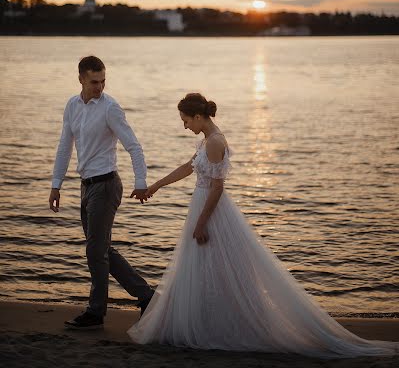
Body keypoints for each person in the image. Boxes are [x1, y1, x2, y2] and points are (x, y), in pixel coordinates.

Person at [128, 92, 398, 358]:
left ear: (198, 116)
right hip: (201, 206)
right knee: (205, 268)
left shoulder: (214, 141)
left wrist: (201, 223)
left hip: (210, 211)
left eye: (186, 120)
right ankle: (210, 321)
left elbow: (217, 188)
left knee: (216, 267)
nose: (185, 126)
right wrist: (155, 186)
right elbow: (188, 168)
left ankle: (222, 326)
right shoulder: (207, 139)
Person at [49, 55, 154, 329]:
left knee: (95, 252)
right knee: (102, 249)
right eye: (94, 81)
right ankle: (146, 296)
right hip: (86, 186)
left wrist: (140, 181)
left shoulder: (110, 108)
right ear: (81, 78)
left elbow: (134, 146)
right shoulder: (72, 106)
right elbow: (64, 147)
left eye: (103, 81)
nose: (100, 87)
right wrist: (56, 184)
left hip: (106, 186)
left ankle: (96, 312)